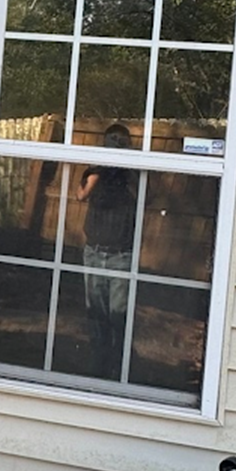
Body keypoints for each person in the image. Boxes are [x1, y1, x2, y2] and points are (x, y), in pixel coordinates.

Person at [75, 123, 137, 375]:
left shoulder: (132, 173)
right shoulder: (97, 169)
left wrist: (128, 167)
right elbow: (81, 195)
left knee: (118, 312)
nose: (116, 147)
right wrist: (94, 174)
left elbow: (148, 196)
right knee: (96, 311)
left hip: (121, 254)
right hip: (94, 250)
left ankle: (119, 363)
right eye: (112, 142)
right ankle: (99, 361)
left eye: (121, 142)